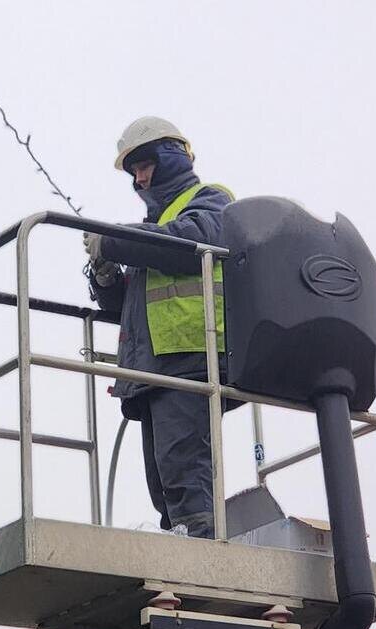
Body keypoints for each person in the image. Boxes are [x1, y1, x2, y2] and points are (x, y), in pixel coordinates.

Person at [83, 117, 233, 539]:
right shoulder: (154, 230)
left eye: (145, 165)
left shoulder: (211, 200)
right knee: (164, 483)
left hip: (190, 358)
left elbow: (187, 244)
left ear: (172, 157)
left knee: (185, 473)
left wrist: (112, 240)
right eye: (134, 171)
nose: (139, 178)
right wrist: (106, 276)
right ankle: (183, 546)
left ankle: (203, 552)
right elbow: (129, 305)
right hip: (153, 366)